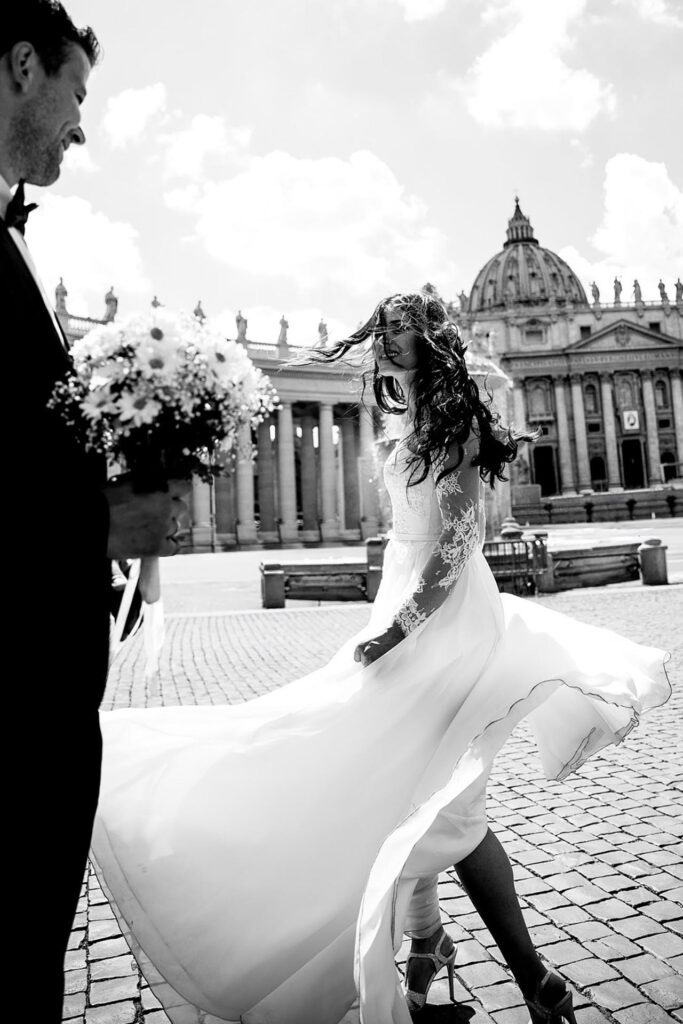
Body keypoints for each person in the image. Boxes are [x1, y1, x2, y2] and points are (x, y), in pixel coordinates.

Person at [91, 292, 668, 1024]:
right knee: (405, 776)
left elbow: (459, 543)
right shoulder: (406, 418)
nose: (387, 338)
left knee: (446, 801)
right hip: (405, 599)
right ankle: (431, 943)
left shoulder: (452, 420)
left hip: (445, 618)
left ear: (430, 339)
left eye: (401, 327)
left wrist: (399, 628)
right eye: (383, 326)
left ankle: (530, 976)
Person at [1, 4, 187, 1019]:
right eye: (78, 94)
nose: (82, 127)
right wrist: (119, 512)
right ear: (23, 66)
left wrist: (125, 517)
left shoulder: (13, 235)